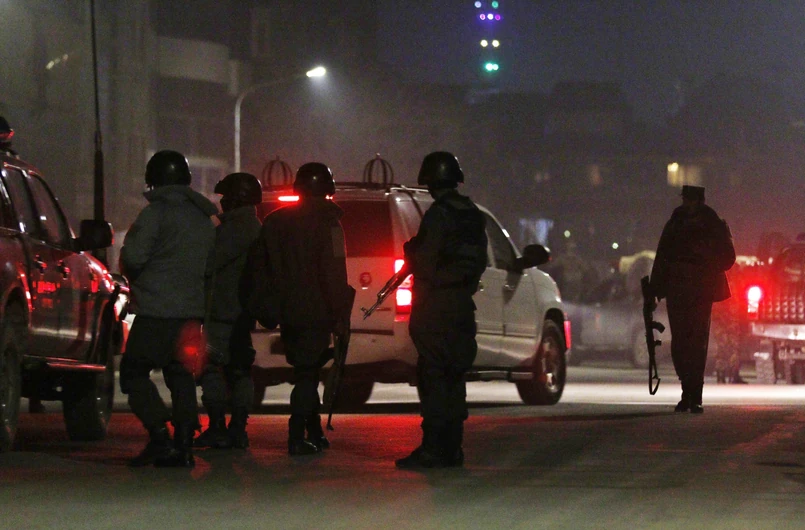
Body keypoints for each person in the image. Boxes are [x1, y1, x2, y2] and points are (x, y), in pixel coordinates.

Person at [119, 150, 218, 467]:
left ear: (154, 179)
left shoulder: (155, 214)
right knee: (181, 376)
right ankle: (185, 443)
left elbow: (133, 257)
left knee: (133, 373)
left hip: (155, 312)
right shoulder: (203, 219)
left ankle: (159, 435)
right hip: (191, 314)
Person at [395, 152, 488, 469]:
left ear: (431, 182)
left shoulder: (438, 215)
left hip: (435, 306)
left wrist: (411, 251)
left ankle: (434, 449)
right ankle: (453, 448)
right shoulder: (473, 214)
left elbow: (425, 263)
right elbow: (478, 262)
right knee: (454, 376)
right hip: (461, 305)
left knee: (433, 377)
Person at [258, 162, 353, 456]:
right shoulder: (330, 224)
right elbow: (335, 274)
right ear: (327, 189)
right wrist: (340, 315)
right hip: (317, 311)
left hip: (287, 310)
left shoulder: (274, 222)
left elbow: (263, 269)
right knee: (308, 374)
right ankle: (297, 435)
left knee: (304, 368)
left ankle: (313, 430)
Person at [649, 185, 735, 413]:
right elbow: (662, 256)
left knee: (697, 343)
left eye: (691, 199)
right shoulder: (676, 222)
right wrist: (655, 289)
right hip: (677, 289)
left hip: (700, 291)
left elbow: (728, 257)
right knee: (680, 343)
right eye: (685, 199)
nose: (687, 203)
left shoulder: (712, 223)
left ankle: (694, 394)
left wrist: (704, 260)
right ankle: (686, 391)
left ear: (699, 201)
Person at [195, 172, 263, 449]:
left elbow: (208, 262)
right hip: (239, 312)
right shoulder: (249, 225)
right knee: (239, 370)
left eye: (226, 196)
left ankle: (220, 428)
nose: (222, 201)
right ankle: (237, 428)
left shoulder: (239, 227)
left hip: (224, 312)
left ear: (236, 198)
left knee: (212, 368)